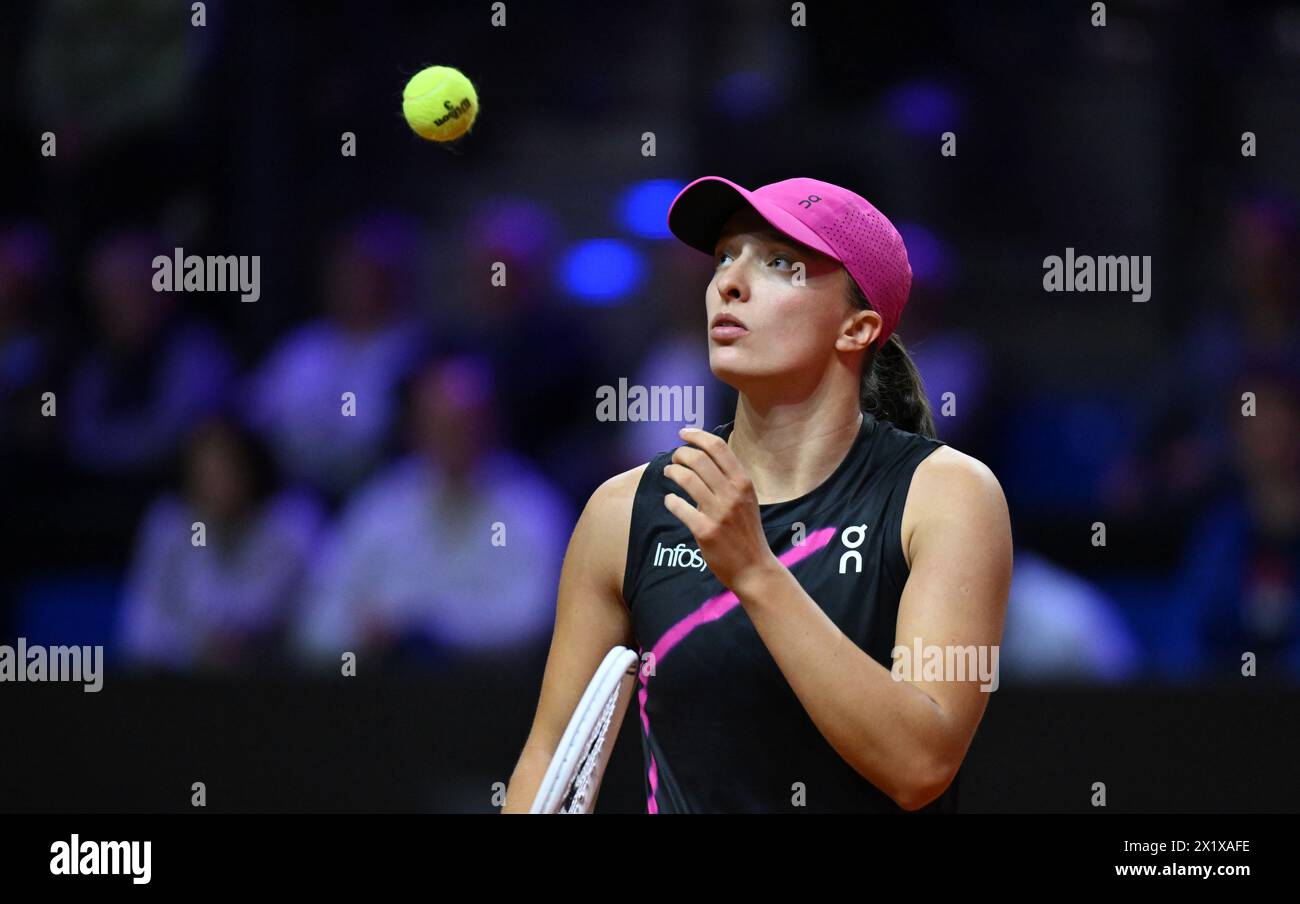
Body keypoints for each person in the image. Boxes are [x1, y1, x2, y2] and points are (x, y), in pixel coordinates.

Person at [505, 177, 1012, 813]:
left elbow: (921, 763)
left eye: (779, 263)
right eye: (724, 257)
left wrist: (752, 568)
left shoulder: (946, 496)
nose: (728, 283)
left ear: (856, 329)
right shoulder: (624, 511)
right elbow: (552, 757)